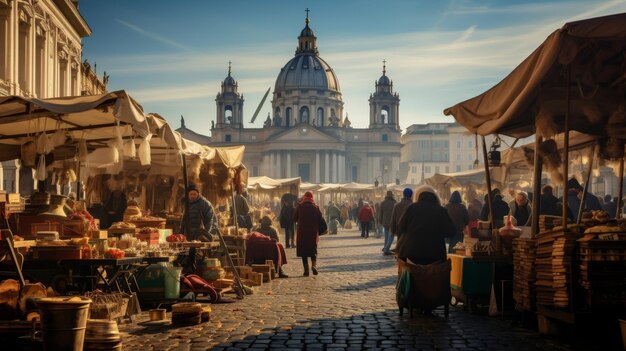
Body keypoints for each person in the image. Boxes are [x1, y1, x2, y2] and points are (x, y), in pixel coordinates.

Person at [396, 185, 456, 265]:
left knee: (413, 276)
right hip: (434, 254)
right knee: (432, 276)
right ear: (435, 197)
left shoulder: (411, 208)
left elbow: (400, 227)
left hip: (411, 253)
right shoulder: (441, 211)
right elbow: (451, 231)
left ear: (418, 196)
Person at [293, 191, 325, 276]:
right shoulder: (315, 207)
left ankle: (306, 270)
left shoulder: (300, 207)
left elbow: (294, 218)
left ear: (304, 197)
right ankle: (314, 266)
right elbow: (320, 219)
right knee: (313, 249)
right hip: (313, 233)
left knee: (304, 251)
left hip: (302, 233)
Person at [379, 190, 397, 255]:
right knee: (391, 236)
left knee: (386, 236)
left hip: (384, 221)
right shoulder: (394, 202)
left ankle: (386, 248)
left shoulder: (383, 202)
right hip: (392, 222)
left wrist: (380, 221)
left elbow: (380, 213)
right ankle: (386, 249)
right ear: (391, 195)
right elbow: (396, 214)